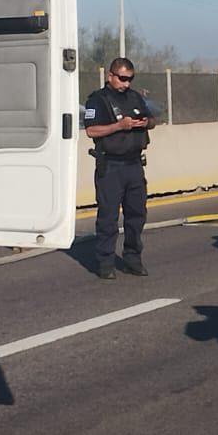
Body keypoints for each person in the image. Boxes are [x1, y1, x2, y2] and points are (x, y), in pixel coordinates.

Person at [83, 58, 157, 279]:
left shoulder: (134, 97)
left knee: (137, 214)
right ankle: (105, 261)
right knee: (108, 216)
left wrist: (145, 123)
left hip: (134, 164)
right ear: (111, 76)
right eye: (123, 78)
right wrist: (119, 126)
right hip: (111, 166)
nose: (126, 83)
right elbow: (91, 131)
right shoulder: (98, 100)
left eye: (130, 79)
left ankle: (132, 257)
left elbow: (152, 119)